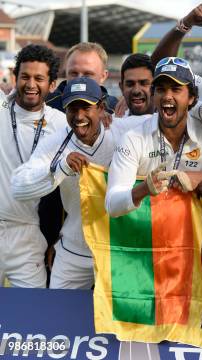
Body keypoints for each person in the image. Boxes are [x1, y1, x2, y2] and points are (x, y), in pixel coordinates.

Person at [12, 77, 117, 289]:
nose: (79, 116)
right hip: (73, 251)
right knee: (58, 317)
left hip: (115, 251)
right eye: (72, 108)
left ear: (101, 108)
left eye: (86, 107)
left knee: (114, 321)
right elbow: (18, 187)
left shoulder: (119, 134)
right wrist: (60, 167)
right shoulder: (56, 141)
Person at [105, 57, 202, 217]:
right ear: (153, 95)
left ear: (191, 97)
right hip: (146, 238)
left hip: (191, 239)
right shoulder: (133, 138)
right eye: (161, 89)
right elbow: (111, 205)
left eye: (176, 89)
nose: (167, 96)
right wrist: (144, 189)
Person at [0, 44, 66, 288]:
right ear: (15, 78)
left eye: (39, 78)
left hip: (29, 233)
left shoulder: (61, 123)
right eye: (25, 76)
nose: (31, 84)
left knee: (32, 312)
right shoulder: (1, 108)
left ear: (51, 84)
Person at [46, 42, 118, 114]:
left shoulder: (116, 108)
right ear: (66, 73)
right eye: (74, 73)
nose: (79, 80)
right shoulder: (46, 105)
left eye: (87, 74)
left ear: (103, 76)